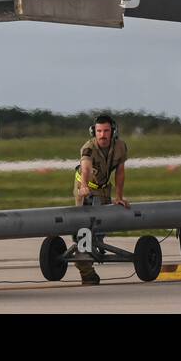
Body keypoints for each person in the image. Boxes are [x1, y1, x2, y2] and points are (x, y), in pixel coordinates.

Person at [72, 114, 129, 285]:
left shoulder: (120, 146)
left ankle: (95, 248)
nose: (102, 135)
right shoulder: (88, 148)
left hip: (103, 188)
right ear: (93, 132)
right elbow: (86, 169)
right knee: (83, 227)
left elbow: (120, 172)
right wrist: (84, 187)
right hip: (85, 187)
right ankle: (86, 269)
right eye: (99, 131)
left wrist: (119, 197)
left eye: (106, 131)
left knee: (101, 227)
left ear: (113, 132)